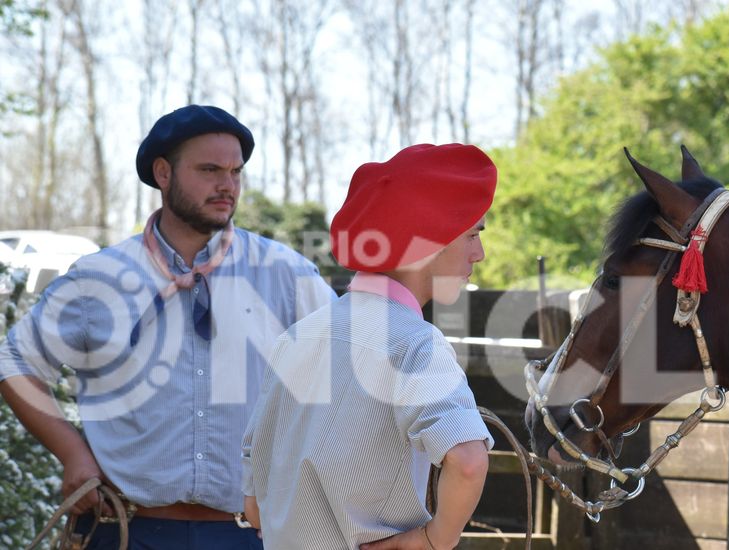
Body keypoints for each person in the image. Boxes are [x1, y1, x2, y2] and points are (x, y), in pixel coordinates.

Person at [0, 104, 336, 549]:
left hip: (253, 535)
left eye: (235, 172)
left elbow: (348, 371)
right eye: (210, 169)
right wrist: (74, 454)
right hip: (124, 532)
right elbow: (15, 361)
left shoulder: (286, 275)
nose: (227, 185)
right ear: (163, 173)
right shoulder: (97, 278)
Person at [242, 143, 496, 549]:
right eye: (471, 234)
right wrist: (433, 540)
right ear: (429, 243)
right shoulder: (416, 343)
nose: (479, 254)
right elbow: (467, 462)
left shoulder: (294, 338)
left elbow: (253, 505)